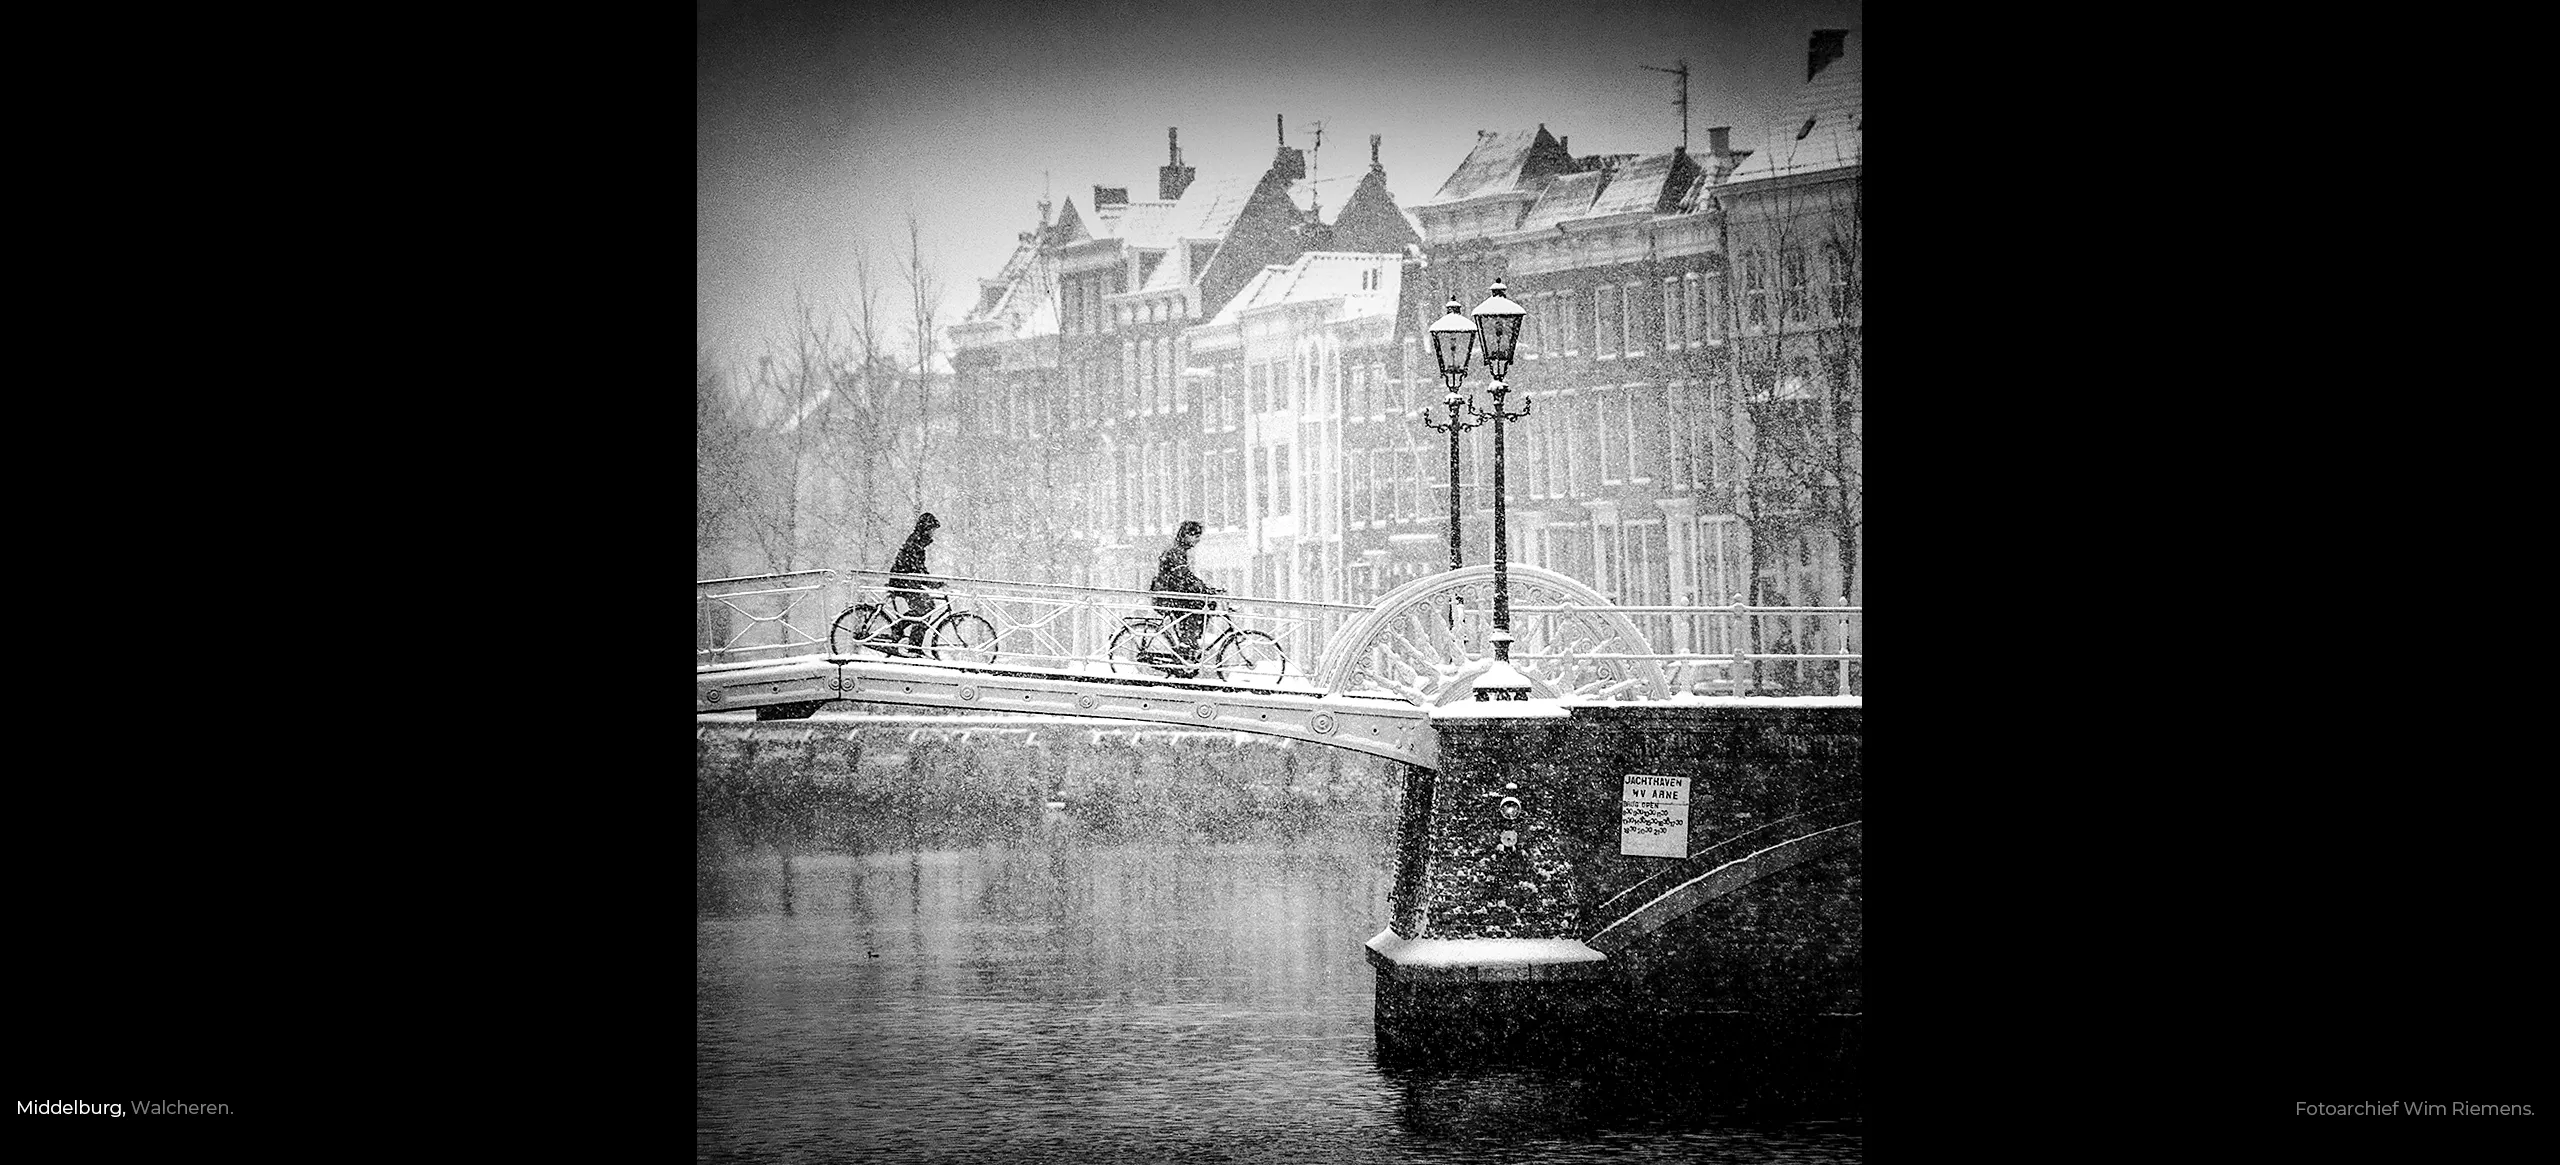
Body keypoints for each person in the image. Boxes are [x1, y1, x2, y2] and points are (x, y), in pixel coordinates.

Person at [1150, 520, 1224, 673]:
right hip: (1169, 596)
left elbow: (1185, 577)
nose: (1197, 540)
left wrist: (1203, 588)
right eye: (1195, 536)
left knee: (1199, 606)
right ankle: (1187, 643)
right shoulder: (1176, 552)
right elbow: (1182, 577)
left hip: (1170, 594)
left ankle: (1188, 642)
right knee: (1200, 607)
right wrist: (1203, 590)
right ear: (1186, 535)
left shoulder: (1177, 550)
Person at [887, 512, 945, 656]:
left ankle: (900, 629)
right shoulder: (915, 544)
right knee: (926, 608)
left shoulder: (917, 543)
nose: (933, 534)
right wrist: (933, 583)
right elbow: (917, 570)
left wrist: (932, 582)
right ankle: (914, 647)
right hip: (904, 583)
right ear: (926, 529)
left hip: (905, 581)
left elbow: (918, 570)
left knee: (925, 608)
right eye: (932, 530)